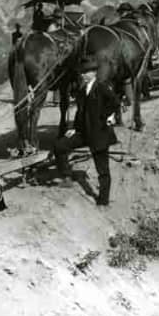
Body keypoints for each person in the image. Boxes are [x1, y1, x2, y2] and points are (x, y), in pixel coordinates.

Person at [53, 59, 120, 207]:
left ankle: (103, 201)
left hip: (99, 134)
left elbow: (115, 103)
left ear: (94, 73)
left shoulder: (102, 87)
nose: (83, 75)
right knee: (60, 145)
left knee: (102, 170)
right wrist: (74, 129)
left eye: (86, 72)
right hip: (83, 133)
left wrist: (105, 117)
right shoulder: (82, 91)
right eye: (82, 72)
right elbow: (80, 113)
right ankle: (67, 178)